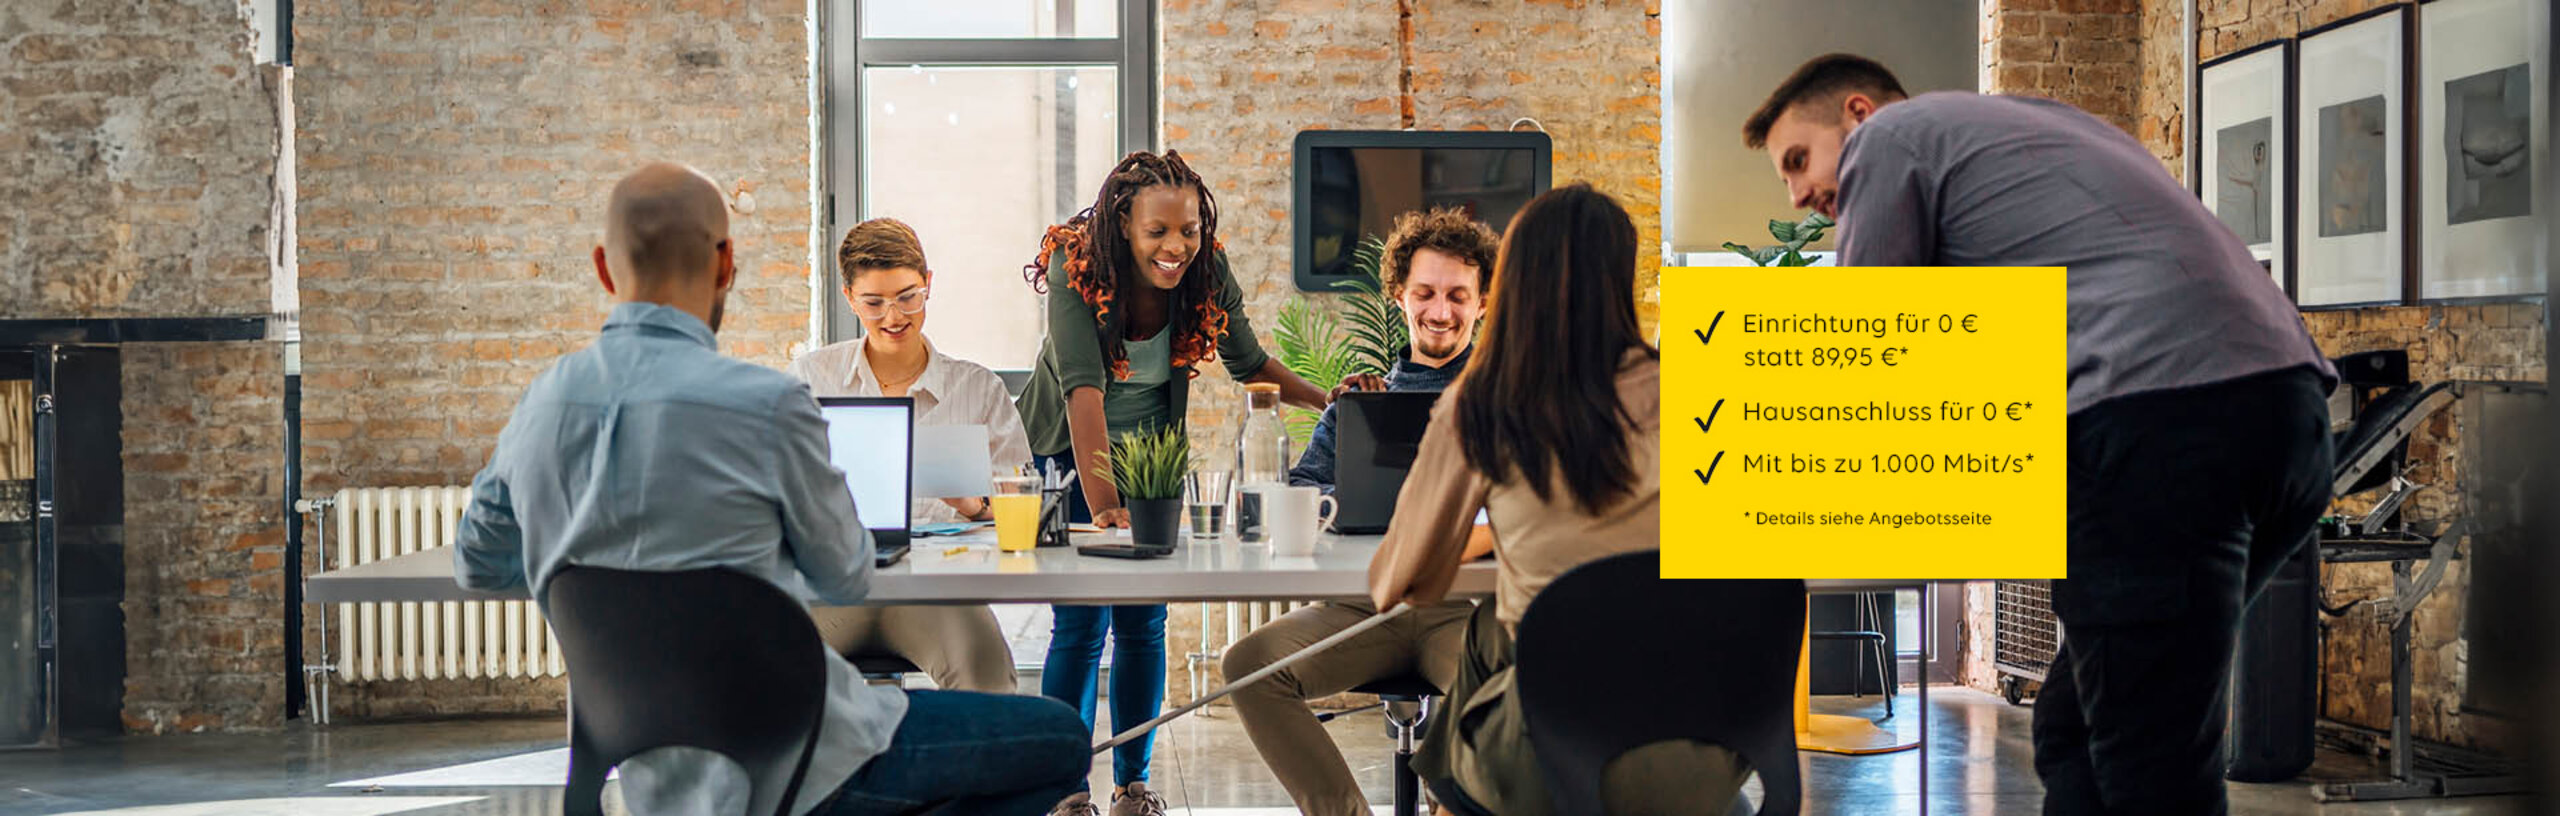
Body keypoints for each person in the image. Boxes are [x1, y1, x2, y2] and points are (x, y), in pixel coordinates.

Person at [1743, 54, 2337, 815]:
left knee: (2146, 764)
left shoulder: (1889, 137)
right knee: (2078, 725)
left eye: (1798, 161)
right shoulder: (2033, 126)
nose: (1797, 195)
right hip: (2289, 419)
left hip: (2162, 428)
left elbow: (1872, 343)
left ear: (1857, 113)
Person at [453, 163, 1087, 816]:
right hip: (801, 756)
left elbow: (479, 565)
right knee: (1062, 741)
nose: (892, 315)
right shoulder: (769, 404)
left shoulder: (540, 407)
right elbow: (843, 571)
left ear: (603, 269)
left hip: (660, 775)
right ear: (726, 263)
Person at [1368, 184, 1743, 815]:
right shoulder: (1704, 395)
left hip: (1552, 760)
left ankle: (1443, 792)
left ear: (1510, 286)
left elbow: (1396, 582)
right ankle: (1443, 791)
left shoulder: (1481, 404)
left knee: (1501, 642)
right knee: (1491, 632)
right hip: (1709, 753)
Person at [1016, 149, 1332, 816]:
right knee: (1080, 624)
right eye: (1158, 231)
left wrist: (1332, 404)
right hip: (1069, 454)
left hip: (1152, 461)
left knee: (1144, 624)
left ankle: (1133, 783)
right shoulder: (1075, 265)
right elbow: (1083, 391)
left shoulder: (1205, 270)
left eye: (1188, 229)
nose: (1176, 246)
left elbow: (1251, 364)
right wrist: (1103, 508)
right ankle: (1066, 789)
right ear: (1124, 225)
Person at [1224, 207, 1498, 816]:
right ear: (1399, 295)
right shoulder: (1356, 402)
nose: (1441, 311)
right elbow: (1296, 495)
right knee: (1248, 666)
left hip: (1459, 608)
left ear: (1483, 303)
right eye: (1425, 293)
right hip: (1358, 605)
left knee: (1510, 682)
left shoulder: (1506, 399)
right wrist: (1346, 435)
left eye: (1458, 295)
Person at [787, 217, 1027, 694]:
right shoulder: (811, 378)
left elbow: (1024, 505)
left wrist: (974, 505)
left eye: (907, 297)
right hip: (832, 589)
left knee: (987, 677)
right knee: (765, 666)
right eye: (874, 303)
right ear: (850, 298)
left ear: (928, 286)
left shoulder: (977, 388)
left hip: (938, 592)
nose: (894, 317)